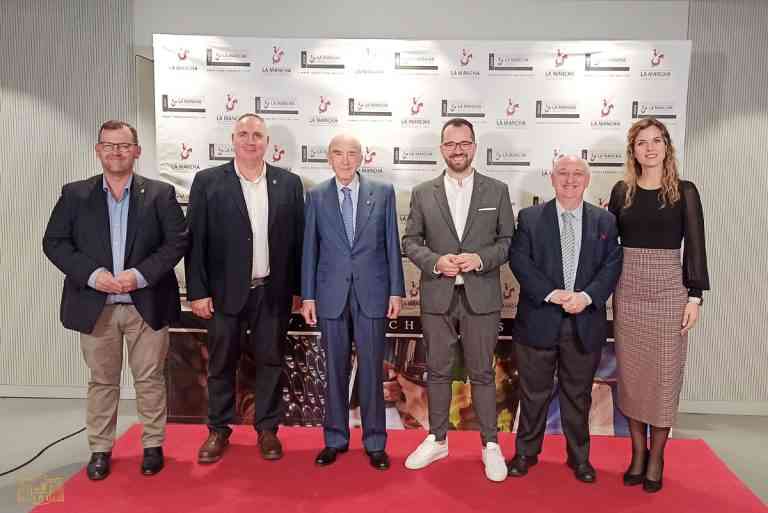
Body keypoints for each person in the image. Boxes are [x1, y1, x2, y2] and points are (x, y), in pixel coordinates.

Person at [43, 120, 188, 480]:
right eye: (108, 145)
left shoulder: (160, 194)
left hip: (146, 304)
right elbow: (55, 242)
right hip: (96, 307)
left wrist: (138, 275)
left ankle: (152, 445)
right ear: (98, 151)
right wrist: (94, 275)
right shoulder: (75, 195)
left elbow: (176, 242)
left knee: (150, 380)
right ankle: (100, 449)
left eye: (124, 145)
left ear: (137, 151)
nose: (116, 152)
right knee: (102, 381)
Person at [186, 113, 304, 463]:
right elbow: (195, 242)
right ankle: (218, 430)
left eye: (257, 135)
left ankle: (267, 429)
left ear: (267, 142)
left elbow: (297, 243)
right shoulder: (208, 181)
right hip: (223, 294)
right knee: (221, 363)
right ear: (233, 140)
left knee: (271, 362)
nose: (250, 141)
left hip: (273, 292)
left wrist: (298, 289)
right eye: (243, 134)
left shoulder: (289, 183)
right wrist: (197, 291)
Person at [402, 118, 515, 482]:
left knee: (482, 372)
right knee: (437, 370)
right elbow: (411, 241)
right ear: (442, 149)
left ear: (474, 147)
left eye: (464, 143)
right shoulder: (423, 192)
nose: (458, 150)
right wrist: (436, 262)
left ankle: (490, 444)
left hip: (481, 295)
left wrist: (480, 259)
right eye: (451, 144)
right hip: (438, 294)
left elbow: (507, 242)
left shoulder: (496, 190)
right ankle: (437, 439)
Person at [609, 118, 709, 493]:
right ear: (632, 151)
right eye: (641, 142)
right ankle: (638, 453)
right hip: (629, 291)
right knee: (633, 378)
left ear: (667, 147)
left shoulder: (685, 191)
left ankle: (657, 458)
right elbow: (609, 245)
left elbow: (695, 245)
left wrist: (695, 296)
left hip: (669, 292)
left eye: (656, 141)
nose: (649, 148)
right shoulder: (622, 191)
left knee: (665, 378)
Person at [507, 155, 621, 484]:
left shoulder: (605, 221)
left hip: (584, 323)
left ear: (587, 180)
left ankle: (579, 458)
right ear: (552, 178)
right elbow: (520, 260)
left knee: (578, 396)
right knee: (533, 395)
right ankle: (526, 453)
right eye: (563, 173)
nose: (570, 180)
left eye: (577, 174)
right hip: (538, 321)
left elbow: (612, 264)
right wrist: (552, 294)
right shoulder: (530, 218)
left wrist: (586, 297)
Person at [301, 134, 404, 470]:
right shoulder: (316, 195)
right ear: (329, 158)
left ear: (362, 158)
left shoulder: (383, 193)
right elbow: (310, 250)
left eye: (351, 154)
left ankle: (375, 442)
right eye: (338, 153)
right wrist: (308, 296)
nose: (345, 160)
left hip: (373, 293)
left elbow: (392, 244)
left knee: (372, 369)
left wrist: (396, 291)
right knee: (334, 369)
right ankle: (335, 438)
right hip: (330, 294)